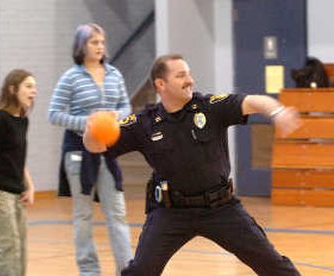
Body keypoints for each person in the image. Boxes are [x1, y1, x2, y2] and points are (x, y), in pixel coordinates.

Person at [83, 54, 302, 276]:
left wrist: (277, 111)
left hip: (220, 208)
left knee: (273, 265)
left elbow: (254, 101)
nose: (190, 80)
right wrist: (92, 130)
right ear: (161, 84)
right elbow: (96, 146)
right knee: (141, 271)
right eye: (181, 75)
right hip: (171, 212)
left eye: (188, 74)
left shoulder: (210, 107)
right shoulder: (144, 123)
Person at [48, 23, 133, 275]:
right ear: (81, 46)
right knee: (83, 216)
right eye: (94, 42)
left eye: (102, 42)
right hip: (77, 152)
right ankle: (89, 270)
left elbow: (126, 108)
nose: (100, 47)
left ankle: (127, 269)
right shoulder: (70, 77)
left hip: (108, 152)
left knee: (117, 212)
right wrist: (87, 122)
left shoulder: (114, 74)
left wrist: (113, 116)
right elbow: (54, 114)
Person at [0, 69, 36, 276]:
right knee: (6, 247)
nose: (33, 91)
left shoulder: (22, 120)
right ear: (12, 89)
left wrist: (29, 185)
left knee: (19, 247)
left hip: (16, 192)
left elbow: (17, 158)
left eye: (34, 87)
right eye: (28, 86)